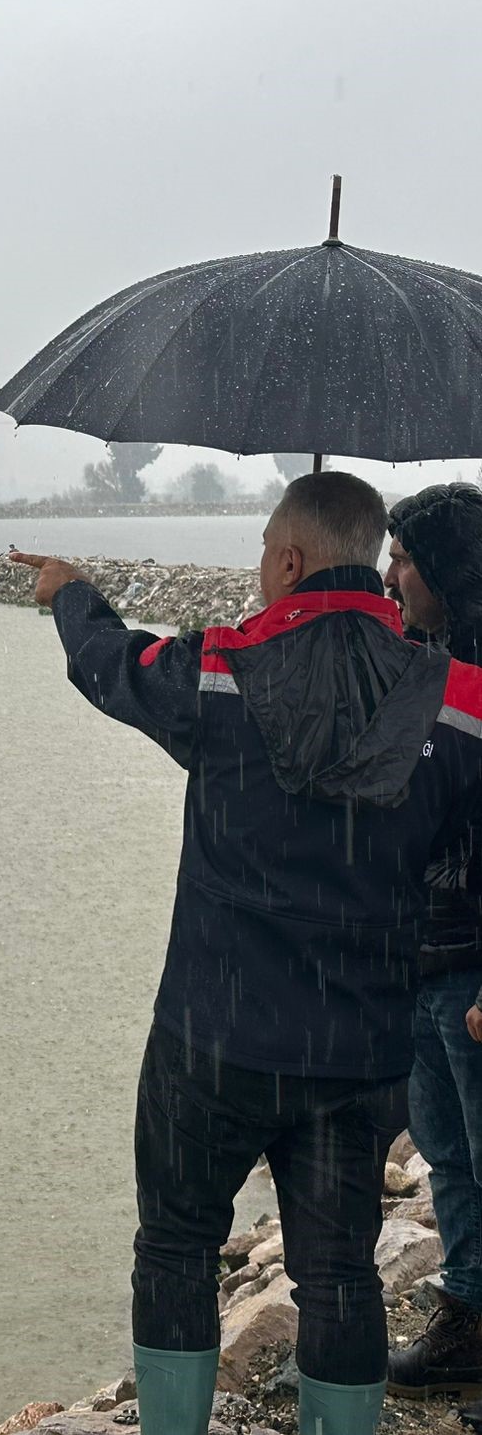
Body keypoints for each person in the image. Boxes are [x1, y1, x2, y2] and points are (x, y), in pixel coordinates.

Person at [12, 471, 482, 1435]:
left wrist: (71, 593)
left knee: (177, 1250)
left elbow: (110, 664)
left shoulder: (216, 673)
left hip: (212, 1038)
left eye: (263, 553)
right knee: (342, 1270)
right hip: (359, 1053)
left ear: (290, 559)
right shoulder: (459, 703)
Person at [381, 484, 482, 1409]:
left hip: (475, 966)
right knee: (447, 1154)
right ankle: (470, 1317)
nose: (390, 573)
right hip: (424, 958)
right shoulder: (419, 662)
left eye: (405, 557)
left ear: (446, 567)